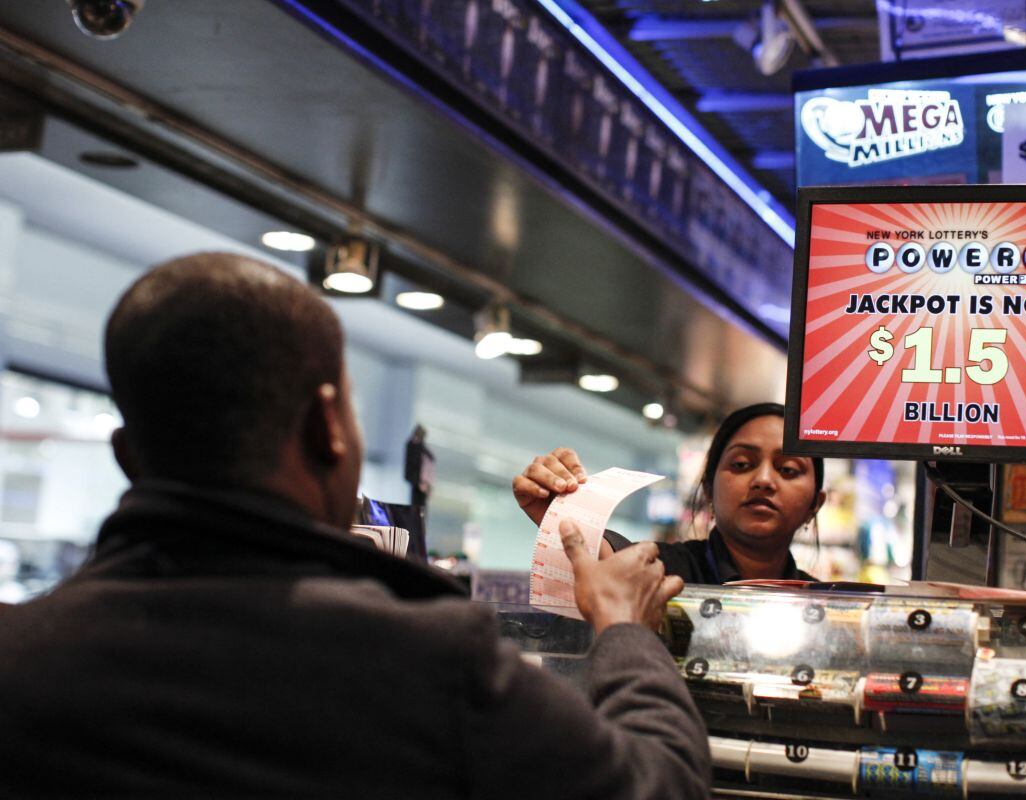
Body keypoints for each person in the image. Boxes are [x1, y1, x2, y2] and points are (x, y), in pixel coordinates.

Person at [0, 253, 709, 798]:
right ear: (326, 427)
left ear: (126, 455)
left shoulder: (21, 652)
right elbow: (657, 787)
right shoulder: (429, 662)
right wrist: (626, 634)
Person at [513, 403, 826, 584]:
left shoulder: (827, 604)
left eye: (788, 469)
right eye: (742, 464)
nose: (763, 480)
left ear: (815, 504)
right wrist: (565, 513)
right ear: (708, 489)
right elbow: (613, 561)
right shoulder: (663, 569)